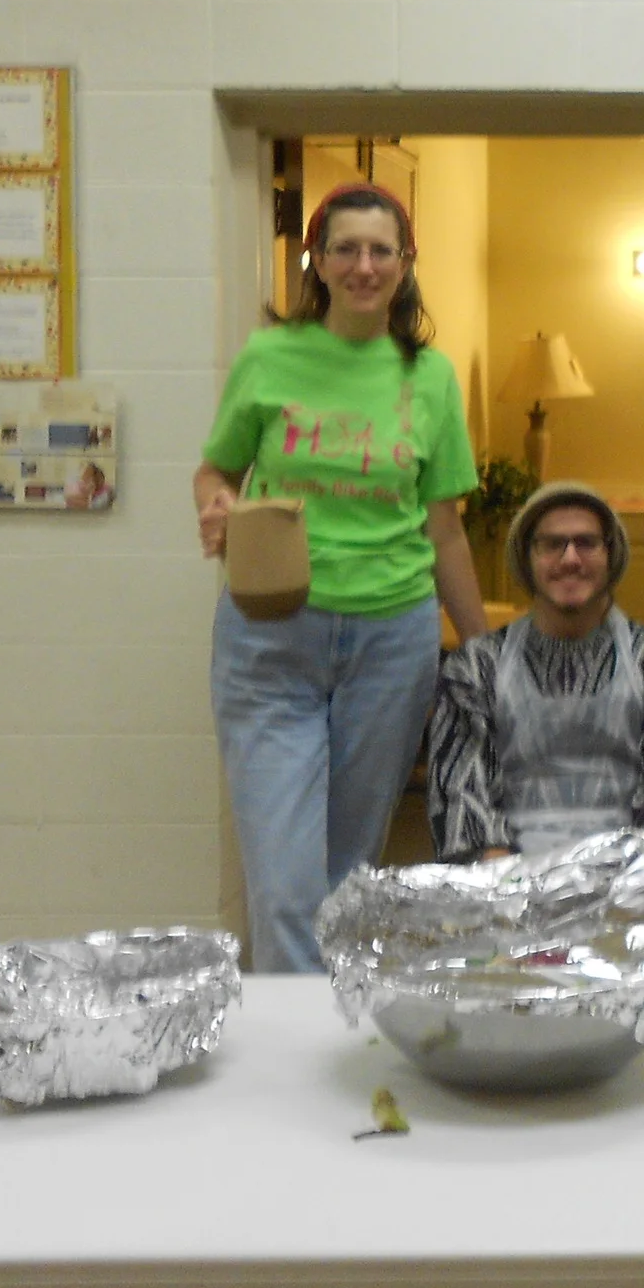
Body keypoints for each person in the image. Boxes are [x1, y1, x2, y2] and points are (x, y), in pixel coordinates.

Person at [196, 182, 490, 972]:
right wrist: (219, 508)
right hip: (270, 636)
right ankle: (294, 1063)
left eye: (381, 250)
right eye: (347, 249)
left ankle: (332, 1048)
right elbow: (214, 472)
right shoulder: (269, 355)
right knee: (285, 885)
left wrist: (488, 651)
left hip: (393, 640)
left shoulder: (428, 376)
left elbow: (447, 529)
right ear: (317, 261)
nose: (364, 265)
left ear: (405, 263)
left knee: (346, 878)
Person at [425, 482, 644, 860]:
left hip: (631, 888)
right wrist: (519, 897)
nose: (570, 559)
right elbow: (462, 798)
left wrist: (636, 888)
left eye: (586, 543)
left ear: (611, 555)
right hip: (508, 890)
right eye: (551, 544)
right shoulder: (475, 670)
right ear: (526, 559)